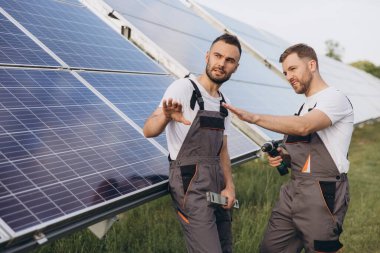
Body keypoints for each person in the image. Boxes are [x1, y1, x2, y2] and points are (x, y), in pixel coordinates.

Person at [223, 43, 354, 253]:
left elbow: (305, 126)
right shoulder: (302, 107)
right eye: (285, 72)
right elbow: (305, 149)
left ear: (312, 65)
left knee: (322, 249)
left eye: (293, 69)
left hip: (321, 192)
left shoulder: (334, 98)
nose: (288, 76)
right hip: (293, 191)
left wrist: (254, 117)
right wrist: (284, 157)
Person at [143, 33, 241, 253]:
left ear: (235, 67)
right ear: (207, 56)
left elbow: (222, 150)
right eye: (218, 56)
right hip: (190, 182)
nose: (221, 63)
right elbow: (148, 130)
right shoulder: (183, 88)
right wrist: (166, 116)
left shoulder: (225, 104)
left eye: (229, 60)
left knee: (225, 247)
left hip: (216, 179)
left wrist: (229, 185)